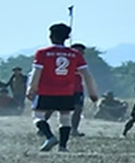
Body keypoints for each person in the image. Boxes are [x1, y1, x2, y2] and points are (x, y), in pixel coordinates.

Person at [27, 23, 99, 152]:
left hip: (46, 90)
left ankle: (49, 137)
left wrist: (31, 88)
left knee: (38, 116)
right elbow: (87, 75)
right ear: (67, 37)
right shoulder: (75, 54)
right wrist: (93, 92)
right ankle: (63, 146)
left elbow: (36, 72)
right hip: (67, 91)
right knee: (65, 118)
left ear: (51, 36)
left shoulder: (43, 53)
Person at [69, 43, 88, 137]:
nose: (80, 53)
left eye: (81, 51)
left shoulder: (82, 62)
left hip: (77, 89)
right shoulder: (66, 61)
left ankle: (74, 130)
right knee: (53, 107)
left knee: (78, 109)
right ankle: (42, 126)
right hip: (64, 88)